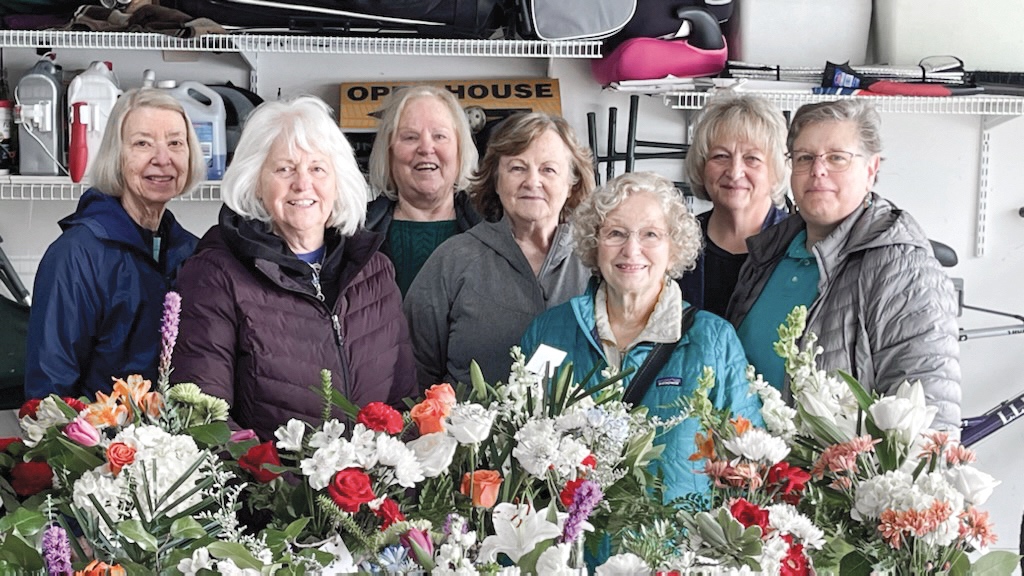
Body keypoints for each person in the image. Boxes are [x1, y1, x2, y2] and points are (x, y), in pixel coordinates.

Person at [172, 96, 417, 441]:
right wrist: (282, 489)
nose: (303, 184)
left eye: (317, 168)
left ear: (338, 180)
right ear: (256, 181)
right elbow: (205, 420)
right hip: (267, 491)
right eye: (284, 168)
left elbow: (403, 406)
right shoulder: (214, 276)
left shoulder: (375, 271)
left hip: (369, 491)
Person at [521, 171, 762, 500]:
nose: (631, 250)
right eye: (616, 233)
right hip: (570, 547)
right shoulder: (548, 333)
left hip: (675, 548)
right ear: (594, 243)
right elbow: (518, 448)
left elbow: (748, 468)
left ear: (673, 247)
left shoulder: (714, 340)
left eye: (650, 234)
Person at [727, 99, 961, 430]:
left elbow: (929, 420)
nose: (818, 170)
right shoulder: (768, 252)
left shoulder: (904, 269)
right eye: (805, 158)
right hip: (749, 473)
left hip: (835, 479)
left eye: (837, 158)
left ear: (871, 169)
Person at [25, 88, 205, 400]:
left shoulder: (194, 253)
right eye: (142, 143)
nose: (162, 159)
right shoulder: (76, 255)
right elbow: (49, 395)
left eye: (175, 143)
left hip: (178, 444)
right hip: (97, 444)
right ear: (116, 155)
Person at [404, 112, 595, 389]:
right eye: (517, 168)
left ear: (571, 183)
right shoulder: (453, 260)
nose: (532, 181)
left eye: (548, 169)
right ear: (495, 179)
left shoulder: (597, 261)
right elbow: (414, 370)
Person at [680, 94, 790, 318]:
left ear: (776, 170)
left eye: (752, 158)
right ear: (701, 166)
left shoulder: (799, 244)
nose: (734, 171)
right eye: (721, 156)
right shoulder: (677, 242)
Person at [365, 85, 481, 296]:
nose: (426, 148)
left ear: (460, 150)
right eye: (410, 137)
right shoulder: (353, 236)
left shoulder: (495, 233)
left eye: (439, 136)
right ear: (389, 152)